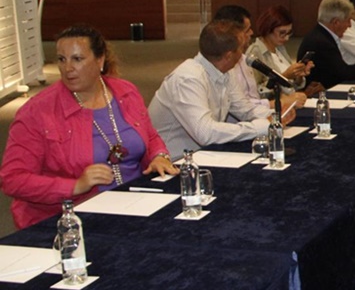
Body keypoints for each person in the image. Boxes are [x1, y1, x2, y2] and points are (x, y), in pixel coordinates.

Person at [0, 25, 177, 229]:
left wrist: (159, 156)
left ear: (100, 60)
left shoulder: (126, 92)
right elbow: (12, 179)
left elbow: (150, 136)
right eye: (61, 59)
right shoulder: (37, 112)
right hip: (73, 218)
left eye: (77, 59)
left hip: (138, 200)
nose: (68, 68)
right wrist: (75, 186)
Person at [150, 20, 280, 157]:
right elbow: (205, 134)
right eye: (241, 49)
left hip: (204, 154)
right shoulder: (188, 79)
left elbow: (245, 110)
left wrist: (275, 116)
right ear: (228, 56)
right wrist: (260, 127)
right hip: (173, 161)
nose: (243, 55)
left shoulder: (224, 71)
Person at [246, 5, 318, 97]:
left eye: (289, 33)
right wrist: (285, 76)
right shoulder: (255, 52)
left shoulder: (280, 48)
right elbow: (254, 92)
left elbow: (291, 86)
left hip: (292, 100)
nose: (287, 38)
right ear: (268, 29)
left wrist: (298, 75)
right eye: (282, 33)